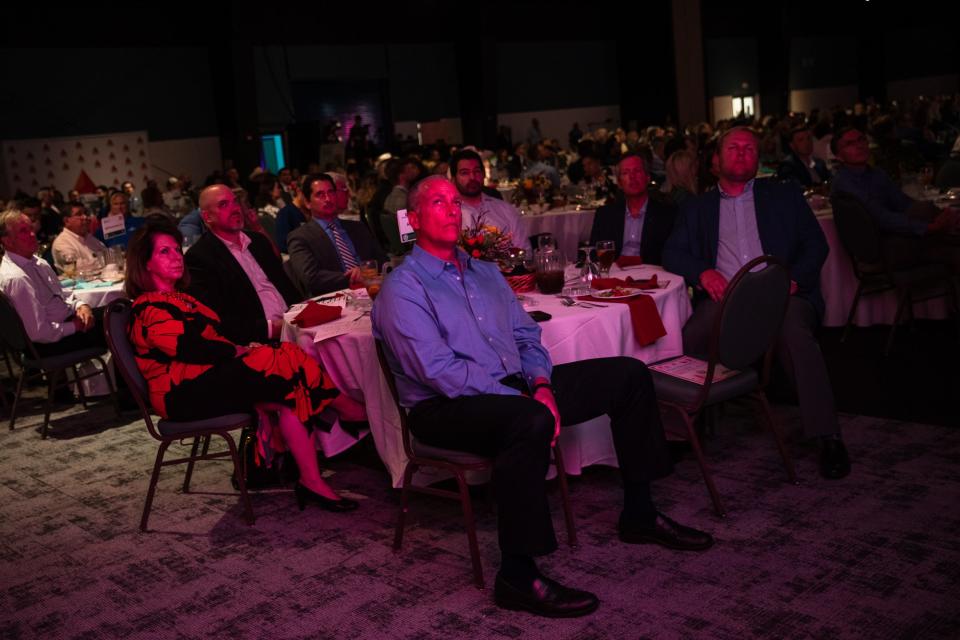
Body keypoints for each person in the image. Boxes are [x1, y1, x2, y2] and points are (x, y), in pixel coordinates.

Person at [372, 175, 713, 619]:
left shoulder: (485, 272)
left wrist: (542, 386)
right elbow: (439, 372)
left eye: (455, 202)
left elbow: (527, 336)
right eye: (438, 202)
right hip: (443, 408)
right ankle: (516, 573)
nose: (452, 210)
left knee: (629, 375)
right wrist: (526, 400)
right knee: (526, 421)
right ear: (414, 219)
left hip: (515, 389)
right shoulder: (404, 288)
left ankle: (640, 512)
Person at [124, 217, 360, 512]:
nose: (176, 257)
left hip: (206, 377)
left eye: (176, 249)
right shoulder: (148, 308)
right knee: (279, 359)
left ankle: (311, 479)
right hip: (180, 393)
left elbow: (213, 344)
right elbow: (195, 348)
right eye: (164, 252)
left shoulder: (182, 299)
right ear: (144, 263)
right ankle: (347, 408)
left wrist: (241, 349)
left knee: (287, 385)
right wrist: (240, 350)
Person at [663, 126, 850, 480]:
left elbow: (816, 245)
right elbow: (672, 251)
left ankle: (828, 436)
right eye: (733, 148)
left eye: (750, 148)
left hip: (783, 294)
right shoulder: (698, 208)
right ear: (715, 160)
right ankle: (677, 432)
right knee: (688, 337)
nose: (743, 153)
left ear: (758, 159)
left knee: (795, 335)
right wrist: (703, 272)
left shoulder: (783, 195)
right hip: (728, 297)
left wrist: (793, 278)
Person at [185, 185, 302, 345]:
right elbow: (218, 320)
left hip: (298, 324)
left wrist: (304, 312)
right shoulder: (200, 257)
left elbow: (286, 286)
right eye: (224, 205)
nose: (235, 209)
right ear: (207, 217)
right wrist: (271, 329)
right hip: (261, 341)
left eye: (235, 202)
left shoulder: (258, 241)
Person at [830, 127, 958, 270]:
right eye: (849, 144)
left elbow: (903, 203)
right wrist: (928, 227)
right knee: (948, 245)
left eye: (861, 140)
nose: (859, 146)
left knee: (936, 225)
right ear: (839, 156)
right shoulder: (844, 183)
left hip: (895, 233)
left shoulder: (876, 174)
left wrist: (938, 217)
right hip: (878, 244)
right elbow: (881, 217)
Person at [0, 209, 101, 355]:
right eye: (23, 231)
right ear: (7, 241)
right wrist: (74, 326)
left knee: (117, 311)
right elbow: (39, 333)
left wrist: (81, 305)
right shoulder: (16, 278)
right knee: (117, 320)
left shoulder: (38, 262)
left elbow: (62, 295)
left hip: (64, 324)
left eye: (31, 228)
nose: (33, 234)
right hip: (47, 345)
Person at [287, 173, 386, 296]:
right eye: (320, 194)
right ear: (307, 202)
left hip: (373, 290)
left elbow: (383, 260)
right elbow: (311, 278)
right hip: (337, 297)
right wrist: (354, 276)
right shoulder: (300, 237)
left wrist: (367, 272)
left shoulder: (357, 227)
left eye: (331, 192)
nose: (328, 199)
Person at [589, 153, 677, 266]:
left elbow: (670, 255)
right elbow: (593, 254)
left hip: (653, 275)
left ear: (647, 177)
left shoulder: (666, 215)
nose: (632, 177)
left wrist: (635, 261)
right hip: (614, 275)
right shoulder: (605, 215)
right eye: (626, 173)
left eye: (637, 171)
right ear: (619, 183)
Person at [451, 150, 530, 251]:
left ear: (484, 174)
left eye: (477, 171)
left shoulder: (505, 210)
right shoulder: (449, 215)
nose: (472, 177)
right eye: (464, 173)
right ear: (453, 179)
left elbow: (524, 250)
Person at [51, 201, 108, 271]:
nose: (85, 217)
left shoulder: (89, 237)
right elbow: (78, 268)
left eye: (86, 213)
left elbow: (108, 254)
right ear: (66, 221)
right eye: (79, 214)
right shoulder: (61, 243)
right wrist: (105, 260)